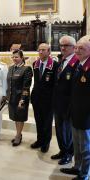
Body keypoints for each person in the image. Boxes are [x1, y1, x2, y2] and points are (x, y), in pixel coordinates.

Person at [60, 35, 90, 180]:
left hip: (86, 117)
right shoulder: (79, 64)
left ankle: (84, 175)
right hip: (75, 112)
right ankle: (77, 167)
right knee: (77, 146)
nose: (77, 50)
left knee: (85, 148)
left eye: (81, 48)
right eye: (76, 47)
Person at [51, 35, 78, 165]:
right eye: (61, 45)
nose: (63, 48)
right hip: (58, 103)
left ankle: (68, 153)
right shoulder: (62, 60)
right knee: (59, 129)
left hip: (68, 104)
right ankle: (62, 150)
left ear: (74, 47)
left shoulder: (77, 61)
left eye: (66, 45)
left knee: (67, 131)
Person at [30, 43, 58, 153]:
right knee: (39, 121)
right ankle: (39, 140)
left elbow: (55, 84)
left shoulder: (55, 65)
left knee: (47, 123)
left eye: (43, 50)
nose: (41, 52)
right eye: (39, 50)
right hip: (36, 98)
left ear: (49, 51)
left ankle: (46, 143)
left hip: (48, 99)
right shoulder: (35, 64)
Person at [6, 50, 33, 146]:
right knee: (15, 117)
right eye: (13, 57)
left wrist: (23, 99)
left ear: (22, 58)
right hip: (12, 97)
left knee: (20, 118)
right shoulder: (10, 68)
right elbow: (9, 84)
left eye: (16, 57)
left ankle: (18, 136)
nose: (14, 59)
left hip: (20, 98)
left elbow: (26, 86)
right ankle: (18, 133)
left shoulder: (26, 69)